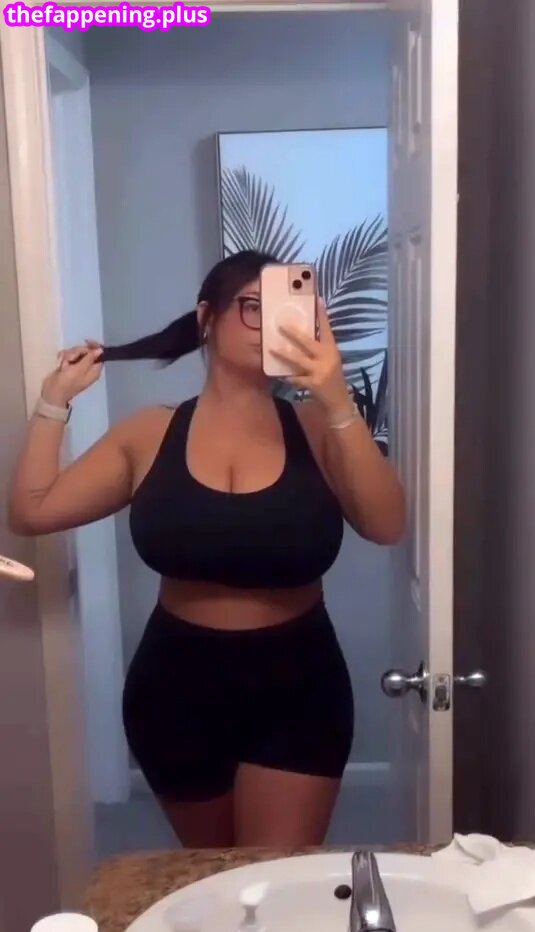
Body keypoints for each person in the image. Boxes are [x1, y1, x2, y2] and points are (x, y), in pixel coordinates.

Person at [8, 250, 405, 848]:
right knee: (211, 878)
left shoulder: (321, 429)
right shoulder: (149, 433)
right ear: (206, 319)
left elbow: (387, 524)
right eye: (252, 307)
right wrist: (53, 403)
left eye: (287, 308)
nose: (270, 323)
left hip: (299, 686)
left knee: (273, 878)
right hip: (175, 688)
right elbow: (32, 510)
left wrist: (338, 400)